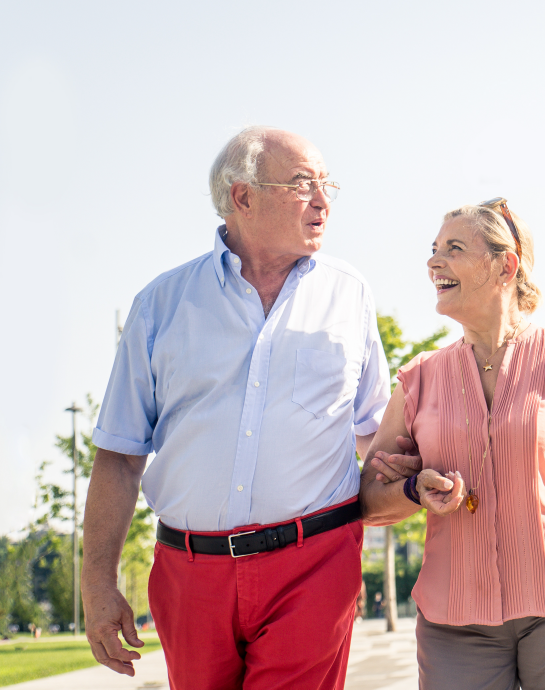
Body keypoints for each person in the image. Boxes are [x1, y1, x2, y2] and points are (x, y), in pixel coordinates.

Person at [81, 126, 390, 689]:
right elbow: (120, 456)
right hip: (188, 572)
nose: (322, 200)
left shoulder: (350, 295)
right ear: (242, 196)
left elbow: (377, 436)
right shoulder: (161, 304)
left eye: (327, 184)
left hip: (314, 562)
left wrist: (424, 478)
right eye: (302, 184)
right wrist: (97, 582)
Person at [359, 200, 545, 689]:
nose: (434, 262)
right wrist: (412, 490)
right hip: (455, 622)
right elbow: (366, 499)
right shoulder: (417, 380)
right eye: (433, 250)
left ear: (505, 264)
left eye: (453, 248)